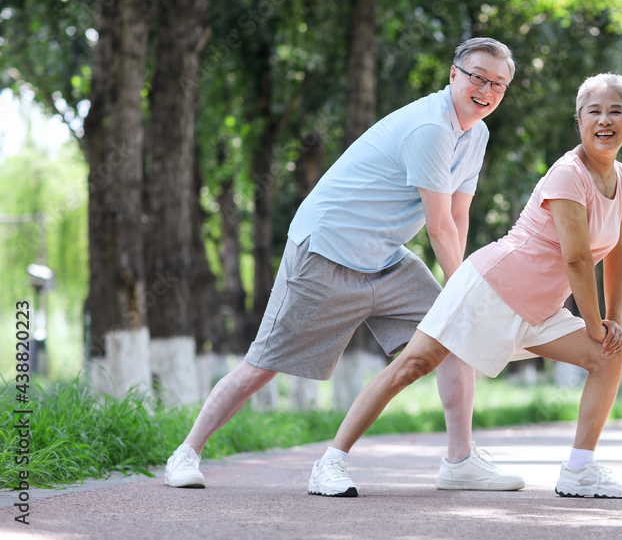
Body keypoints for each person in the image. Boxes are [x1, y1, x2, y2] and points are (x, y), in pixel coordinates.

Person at [164, 37, 525, 496]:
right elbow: (437, 228)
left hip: (386, 260)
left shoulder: (476, 134)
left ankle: (460, 461)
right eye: (477, 76)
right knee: (264, 363)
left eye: (498, 83)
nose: (486, 89)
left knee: (453, 337)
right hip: (325, 253)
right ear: (454, 74)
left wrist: (462, 295)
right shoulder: (430, 128)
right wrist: (465, 291)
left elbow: (458, 216)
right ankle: (186, 452)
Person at [322, 72, 622, 499]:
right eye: (593, 112)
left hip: (540, 309)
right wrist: (594, 322)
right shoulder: (568, 174)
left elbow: (617, 253)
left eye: (615, 111)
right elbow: (578, 259)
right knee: (411, 366)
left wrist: (613, 320)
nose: (604, 120)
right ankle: (331, 462)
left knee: (608, 357)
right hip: (490, 287)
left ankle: (579, 471)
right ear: (578, 120)